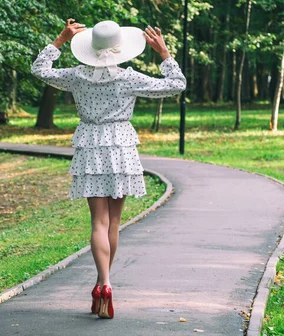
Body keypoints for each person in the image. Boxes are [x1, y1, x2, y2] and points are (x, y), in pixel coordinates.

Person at [31, 19, 186, 319]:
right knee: (113, 224)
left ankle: (104, 282)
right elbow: (176, 85)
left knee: (98, 223)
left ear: (91, 49)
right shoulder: (129, 79)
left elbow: (40, 70)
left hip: (90, 145)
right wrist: (165, 54)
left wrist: (60, 40)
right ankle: (105, 284)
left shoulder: (76, 76)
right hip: (121, 148)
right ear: (121, 49)